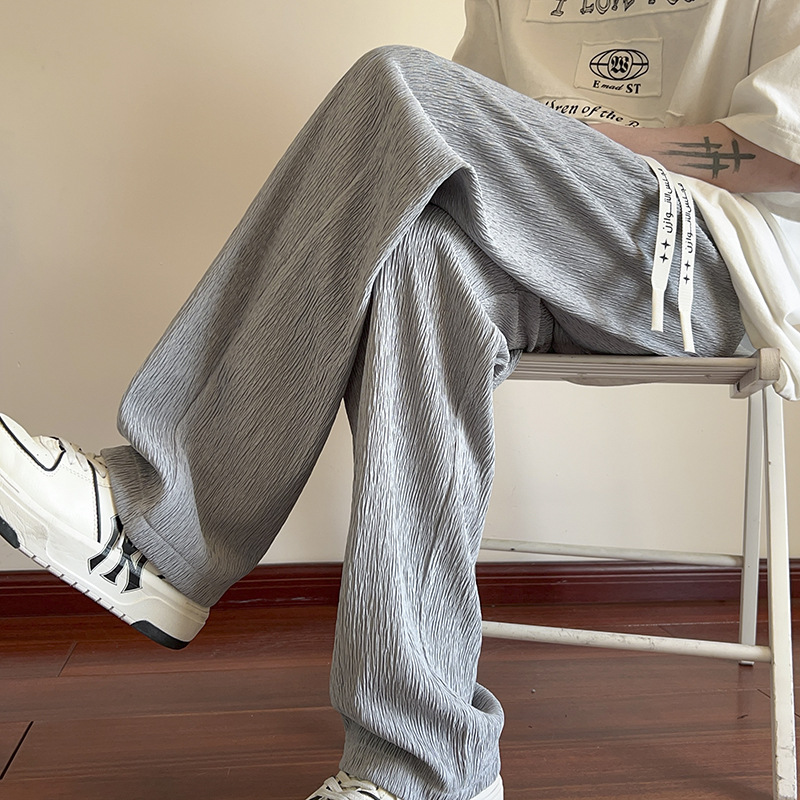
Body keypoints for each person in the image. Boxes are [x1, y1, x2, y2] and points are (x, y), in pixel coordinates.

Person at [1, 1, 799, 798]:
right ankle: (422, 767)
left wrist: (568, 142)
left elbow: (786, 156)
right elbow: (458, 162)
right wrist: (518, 142)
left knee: (404, 86)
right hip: (540, 250)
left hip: (717, 264)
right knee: (421, 253)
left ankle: (162, 528)